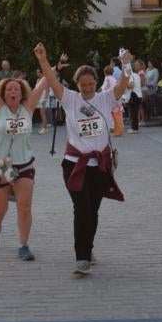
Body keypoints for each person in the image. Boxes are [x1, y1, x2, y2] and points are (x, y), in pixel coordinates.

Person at [37, 43, 130, 276]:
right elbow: (51, 79)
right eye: (83, 85)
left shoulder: (106, 99)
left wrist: (125, 65)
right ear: (77, 85)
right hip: (74, 164)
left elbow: (123, 84)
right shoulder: (69, 99)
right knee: (82, 209)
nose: (88, 88)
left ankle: (88, 248)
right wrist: (43, 60)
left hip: (99, 165)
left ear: (96, 83)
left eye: (91, 84)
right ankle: (82, 258)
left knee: (94, 210)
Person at [0, 47, 49, 262]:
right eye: (9, 89)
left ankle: (23, 245)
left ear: (22, 93)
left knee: (24, 206)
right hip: (0, 164)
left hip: (24, 164)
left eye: (17, 89)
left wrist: (45, 62)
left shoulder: (28, 108)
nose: (13, 91)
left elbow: (45, 82)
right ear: (4, 94)